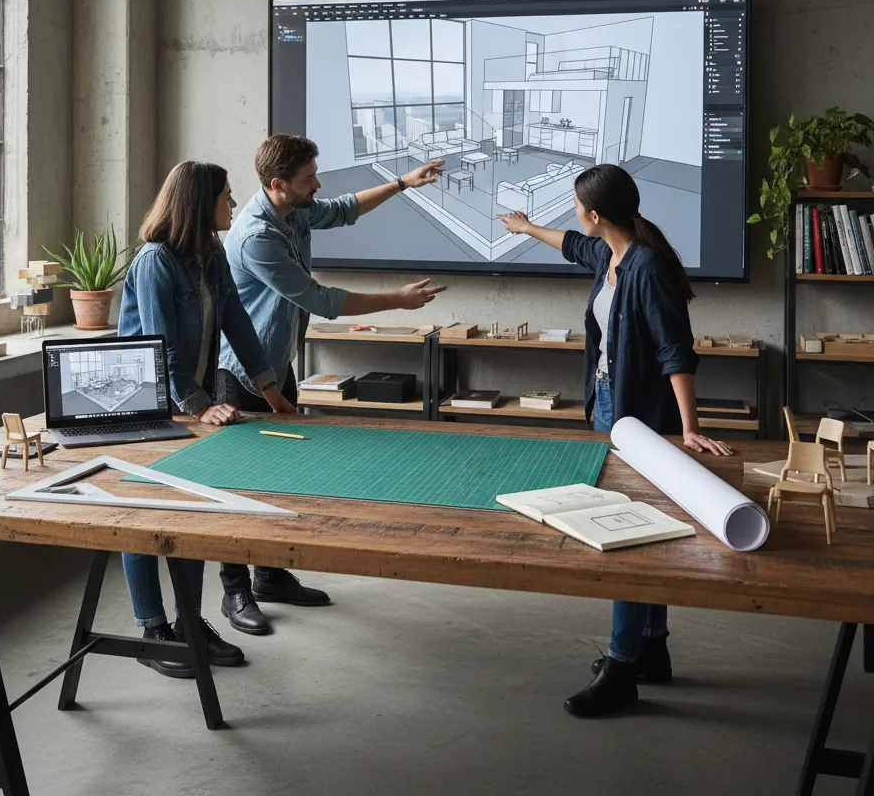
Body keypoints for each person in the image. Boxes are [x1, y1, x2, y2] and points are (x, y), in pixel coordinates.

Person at [499, 163, 733, 718]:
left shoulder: (646, 267)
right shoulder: (610, 253)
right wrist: (527, 227)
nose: (576, 214)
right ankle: (652, 646)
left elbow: (677, 352)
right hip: (608, 404)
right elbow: (573, 245)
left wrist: (690, 429)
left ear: (597, 211)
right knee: (642, 529)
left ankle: (623, 666)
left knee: (627, 533)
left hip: (640, 415)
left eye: (578, 204)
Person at [215, 133, 447, 635]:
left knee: (279, 479)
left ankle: (270, 575)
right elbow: (319, 299)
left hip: (279, 361)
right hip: (241, 373)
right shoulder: (257, 236)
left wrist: (405, 182)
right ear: (278, 184)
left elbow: (344, 209)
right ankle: (234, 591)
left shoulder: (294, 210)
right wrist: (397, 301)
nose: (316, 185)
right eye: (307, 179)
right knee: (238, 487)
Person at [118, 160, 297, 678]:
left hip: (185, 405)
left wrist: (272, 392)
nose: (234, 204)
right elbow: (160, 350)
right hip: (147, 404)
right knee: (143, 519)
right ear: (200, 204)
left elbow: (238, 322)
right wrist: (199, 404)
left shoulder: (209, 253)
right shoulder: (156, 262)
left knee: (191, 518)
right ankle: (155, 632)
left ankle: (191, 625)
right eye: (226, 196)